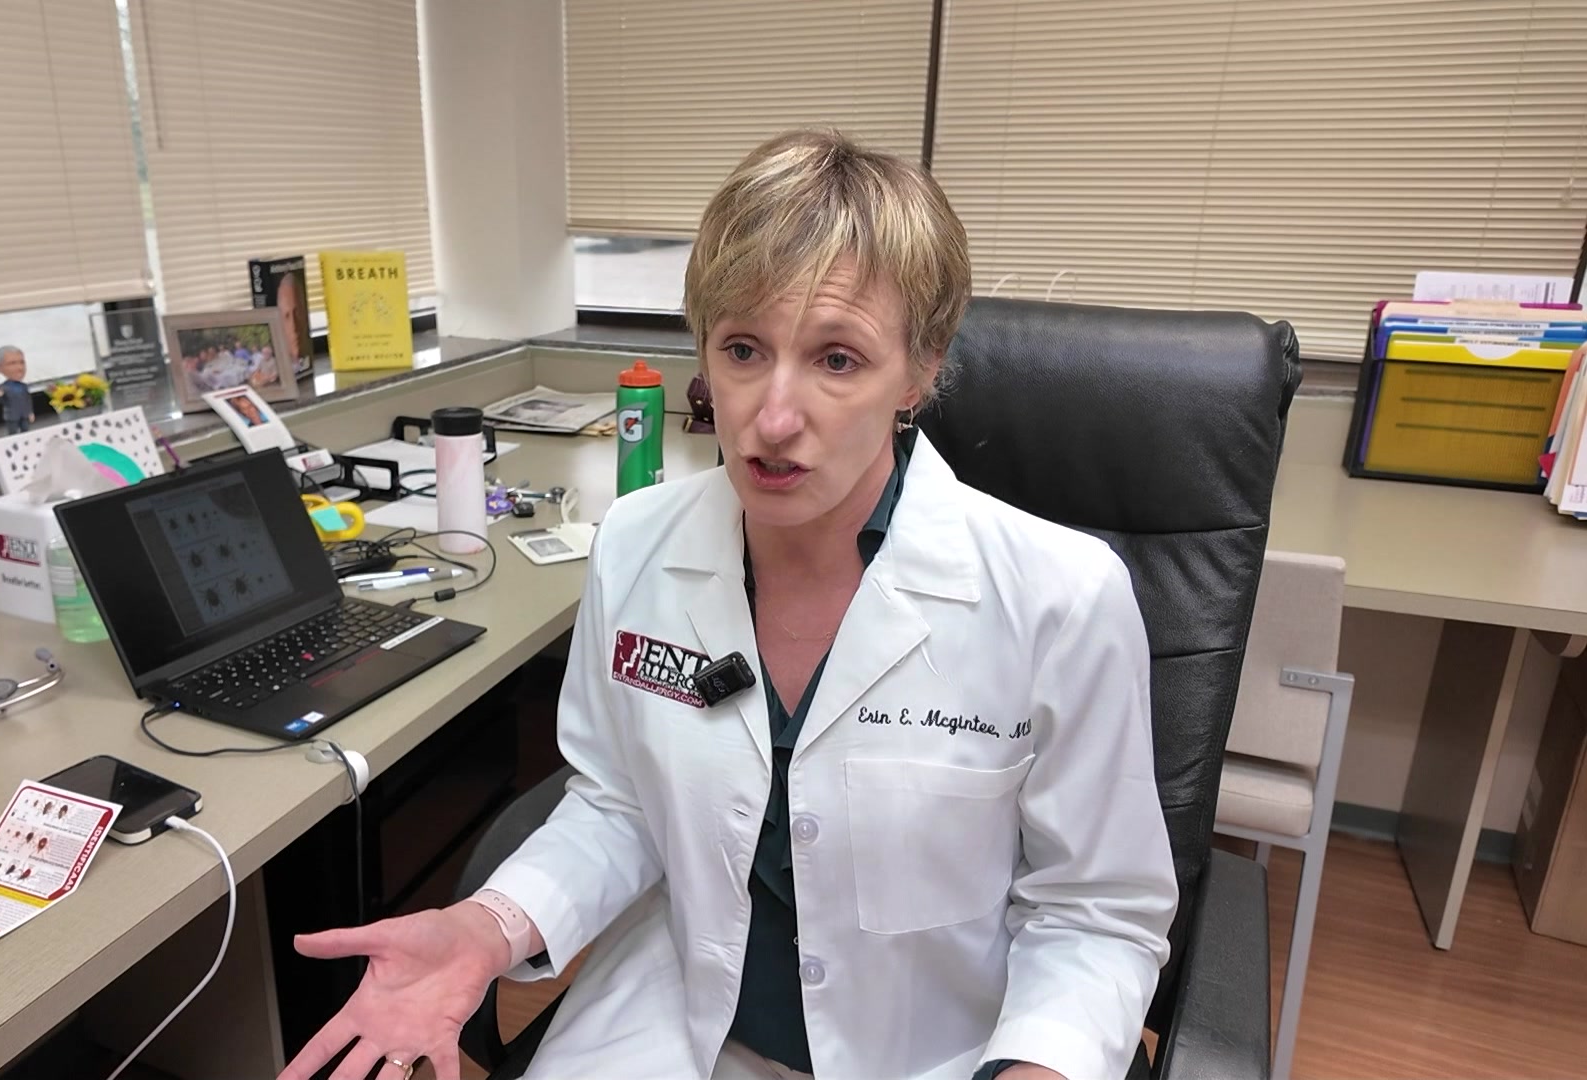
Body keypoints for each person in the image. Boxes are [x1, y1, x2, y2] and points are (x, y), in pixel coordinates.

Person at [281, 129, 1176, 1080]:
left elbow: (1095, 914)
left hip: (933, 1053)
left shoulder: (1060, 599)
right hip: (676, 1027)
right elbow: (619, 804)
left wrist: (1041, 1067)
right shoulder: (637, 544)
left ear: (919, 371)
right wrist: (486, 925)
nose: (773, 418)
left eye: (839, 359)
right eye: (744, 349)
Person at [0, 345, 35, 435]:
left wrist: (30, 412)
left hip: (24, 415)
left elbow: (27, 400)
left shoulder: (24, 386)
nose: (19, 368)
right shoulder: (2, 388)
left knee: (26, 433)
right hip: (12, 416)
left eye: (22, 363)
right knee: (13, 434)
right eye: (12, 363)